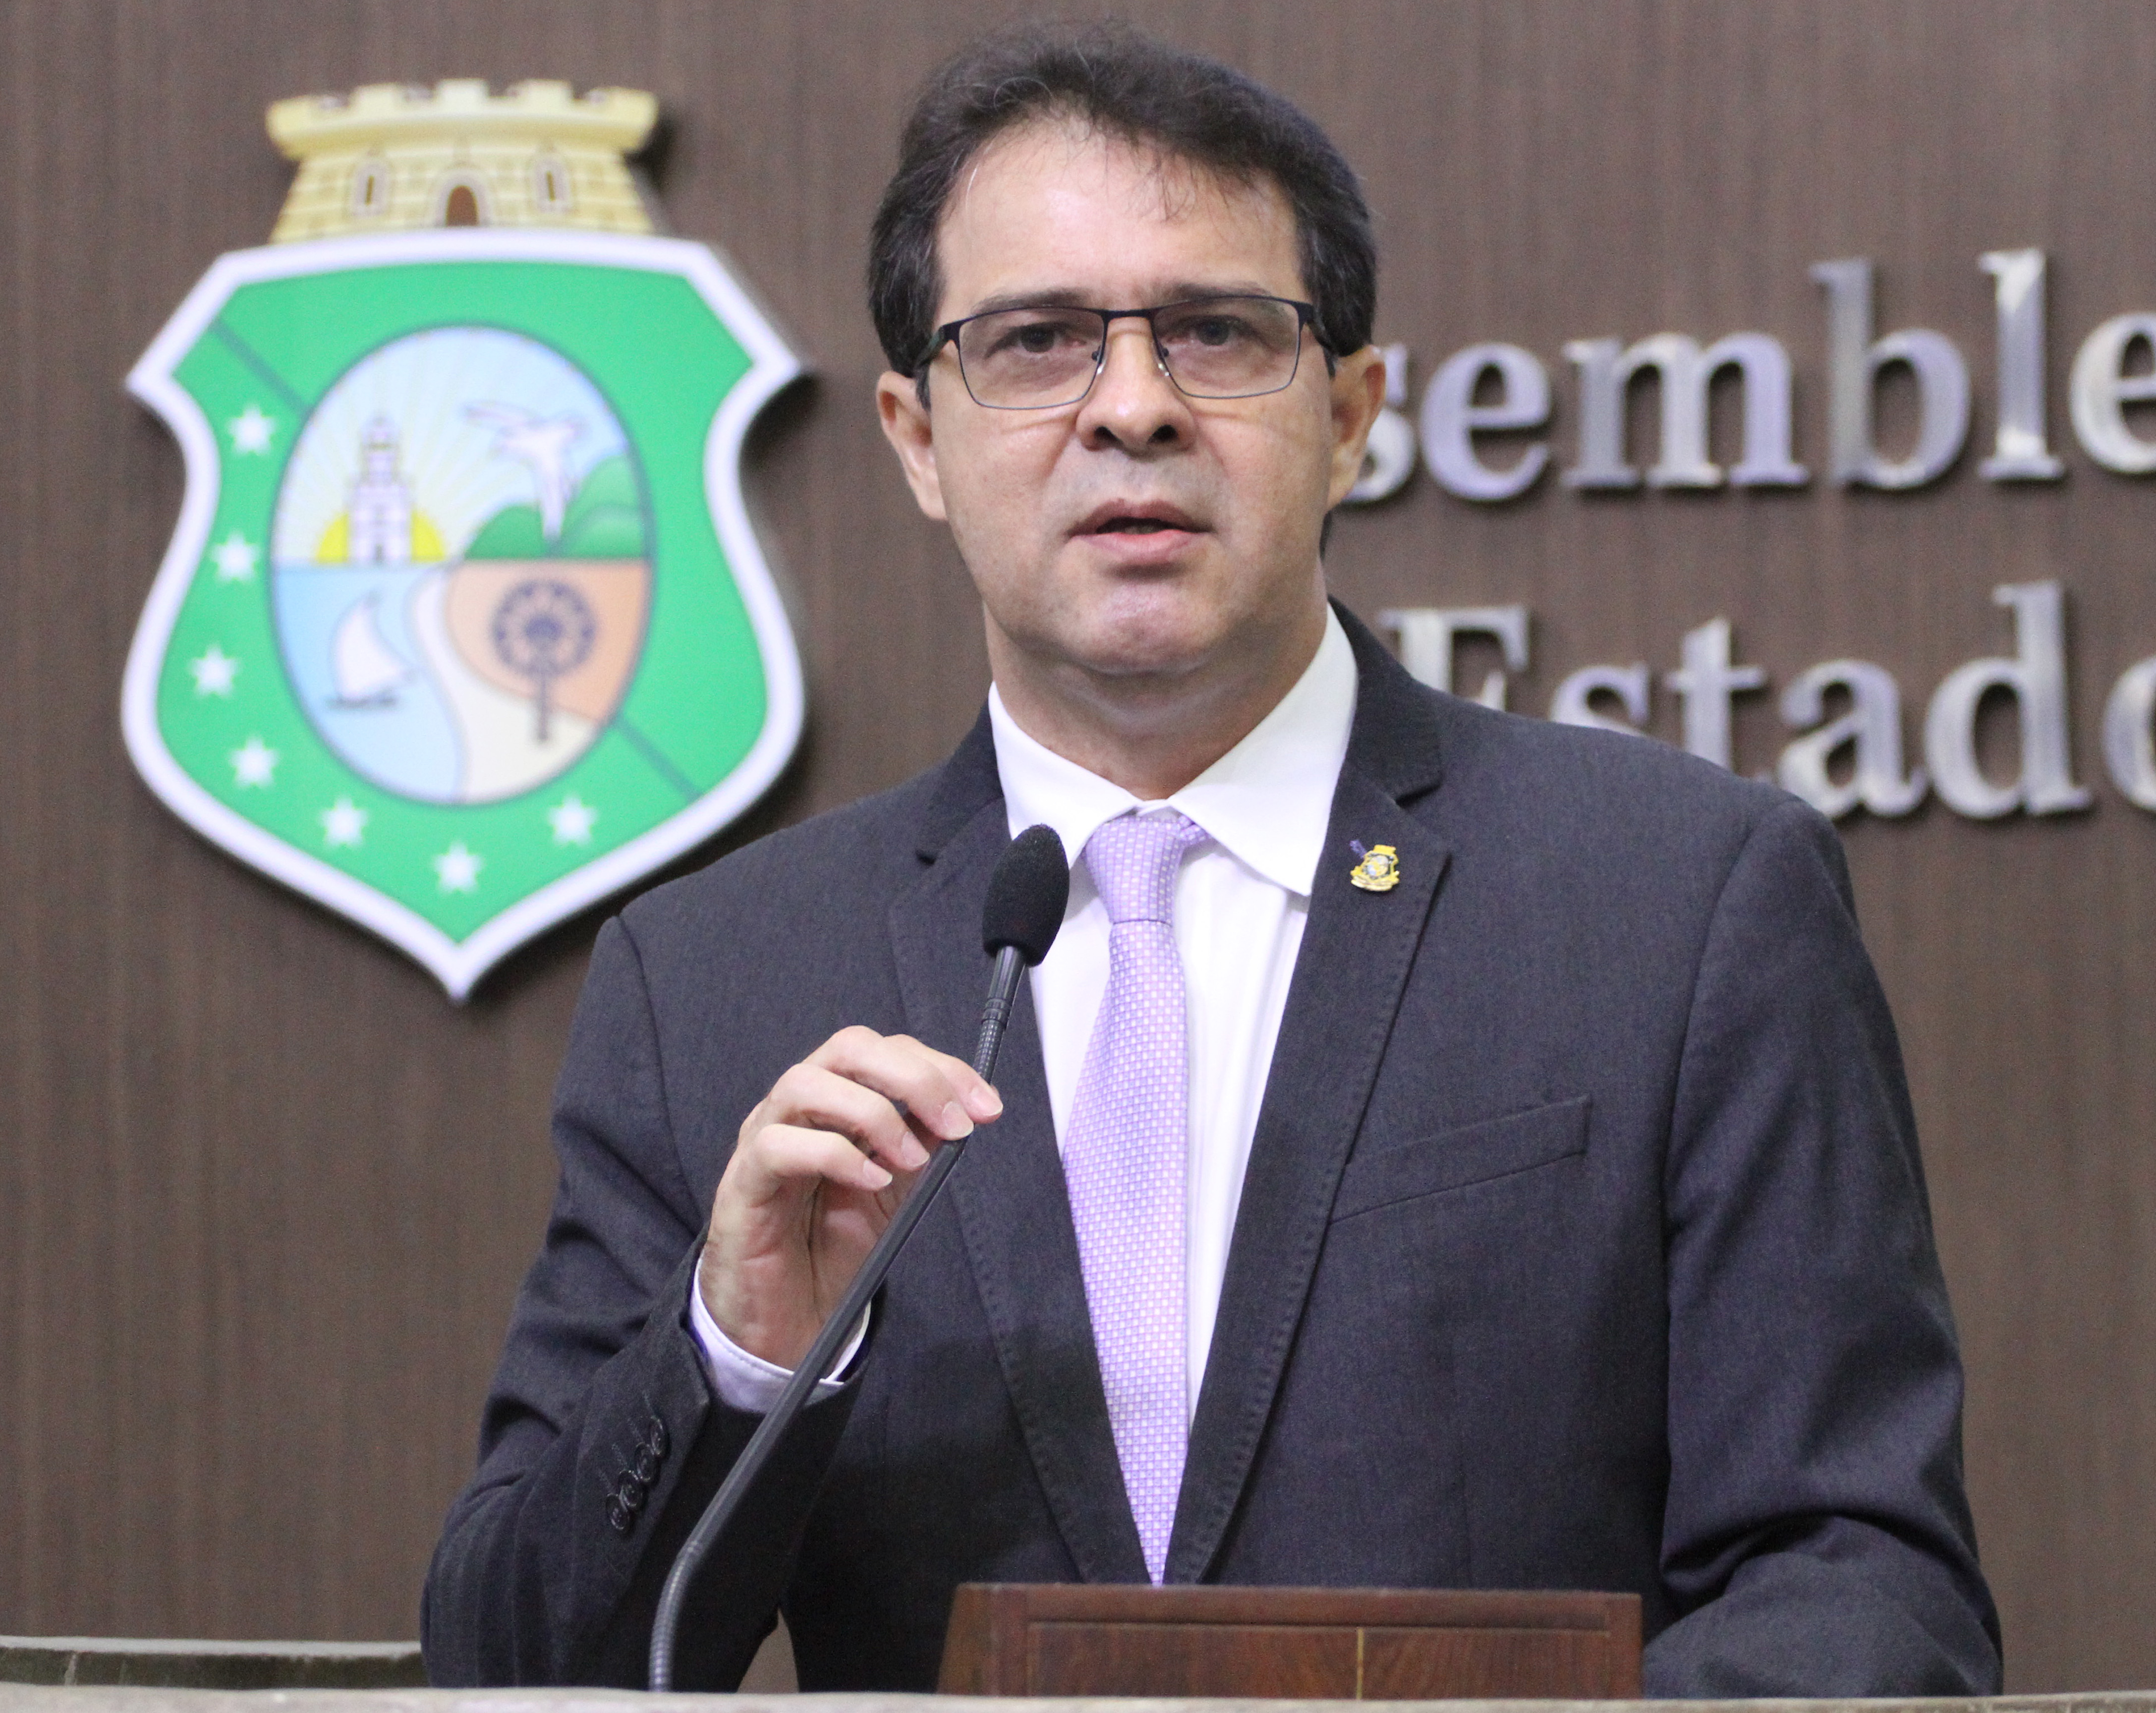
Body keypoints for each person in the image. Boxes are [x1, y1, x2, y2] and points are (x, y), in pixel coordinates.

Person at [422, 23, 2000, 1698]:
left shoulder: (1680, 902)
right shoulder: (716, 979)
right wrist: (736, 1356)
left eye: (1216, 334)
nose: (1132, 409)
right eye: (1036, 342)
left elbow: (1863, 1591)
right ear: (915, 438)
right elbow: (514, 1664)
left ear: (1351, 415)